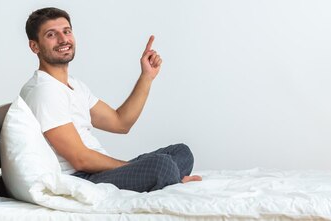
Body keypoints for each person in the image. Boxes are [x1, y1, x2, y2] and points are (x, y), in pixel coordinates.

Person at [20, 7, 201, 192]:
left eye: (66, 31)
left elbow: (121, 123)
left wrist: (146, 76)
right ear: (34, 46)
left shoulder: (73, 85)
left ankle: (168, 178)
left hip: (97, 171)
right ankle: (169, 179)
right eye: (51, 34)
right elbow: (80, 159)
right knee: (162, 166)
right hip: (81, 179)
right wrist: (131, 169)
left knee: (181, 152)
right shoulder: (45, 90)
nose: (63, 39)